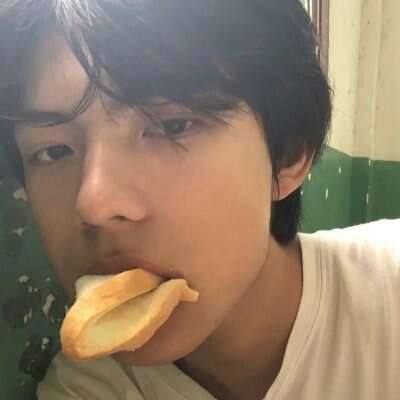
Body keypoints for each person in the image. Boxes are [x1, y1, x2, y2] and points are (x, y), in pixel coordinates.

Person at [0, 0, 399, 399]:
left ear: (288, 155)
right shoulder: (86, 390)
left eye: (172, 126)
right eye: (53, 151)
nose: (93, 205)